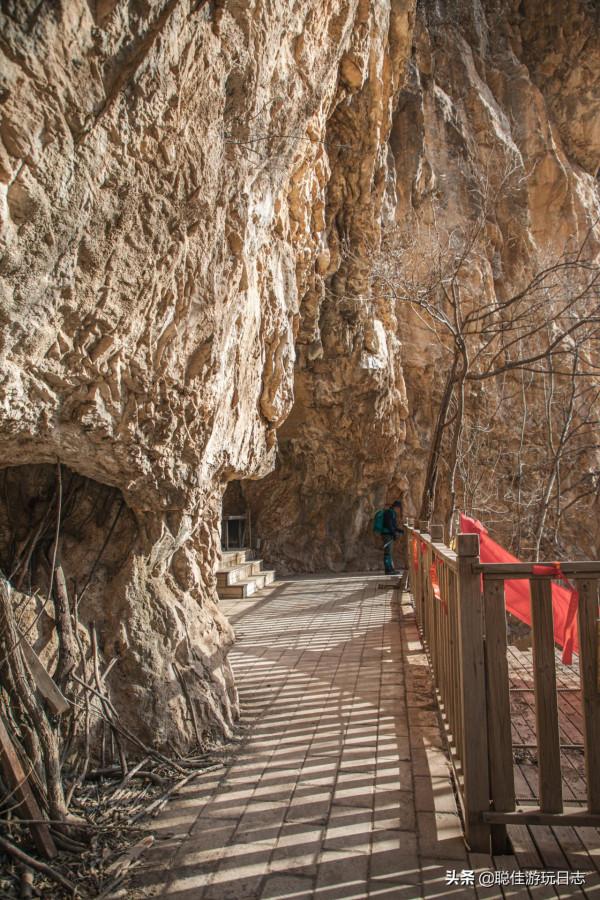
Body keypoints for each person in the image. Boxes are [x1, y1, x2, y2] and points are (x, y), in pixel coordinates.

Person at [382, 499, 404, 575]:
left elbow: (393, 526)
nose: (399, 510)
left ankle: (390, 569)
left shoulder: (391, 512)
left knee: (389, 553)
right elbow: (390, 525)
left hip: (387, 534)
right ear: (396, 507)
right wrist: (394, 534)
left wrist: (399, 531)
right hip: (387, 535)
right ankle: (388, 570)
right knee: (388, 553)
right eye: (399, 508)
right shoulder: (390, 513)